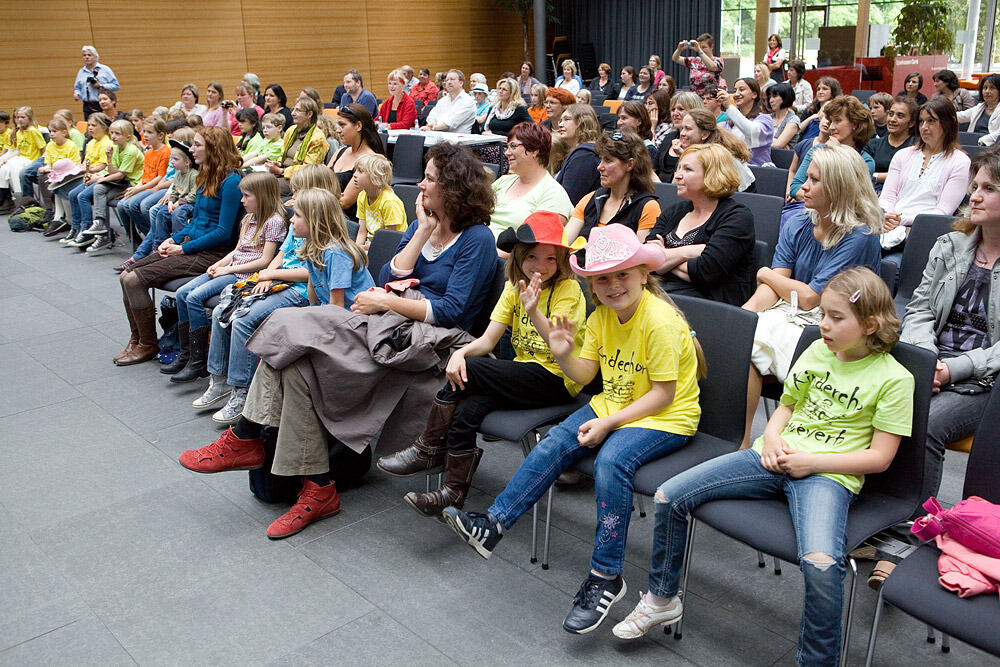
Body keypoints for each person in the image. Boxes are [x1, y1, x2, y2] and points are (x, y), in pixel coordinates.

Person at [177, 143, 497, 539]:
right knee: (294, 364)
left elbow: (452, 311)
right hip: (390, 324)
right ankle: (317, 487)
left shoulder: (477, 239)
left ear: (454, 186)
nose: (421, 184)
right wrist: (424, 233)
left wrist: (385, 299)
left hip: (434, 345)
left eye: (430, 178)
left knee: (288, 323)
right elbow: (389, 273)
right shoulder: (422, 226)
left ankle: (245, 438)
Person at [616, 266, 913, 667]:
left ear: (871, 324)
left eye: (836, 317)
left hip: (828, 475)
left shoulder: (895, 379)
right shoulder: (818, 349)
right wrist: (772, 437)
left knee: (822, 565)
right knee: (671, 495)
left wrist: (811, 462)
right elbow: (786, 406)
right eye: (822, 313)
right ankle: (662, 598)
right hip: (771, 456)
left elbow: (880, 458)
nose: (822, 325)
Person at [443, 223, 705, 634]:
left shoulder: (660, 322)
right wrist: (563, 353)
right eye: (603, 278)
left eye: (622, 274)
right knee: (555, 443)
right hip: (614, 405)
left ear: (643, 274)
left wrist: (607, 423)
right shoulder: (602, 317)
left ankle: (605, 576)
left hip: (666, 418)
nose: (614, 285)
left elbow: (663, 395)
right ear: (593, 286)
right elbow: (583, 376)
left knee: (611, 463)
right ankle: (493, 524)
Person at [378, 211, 587, 515]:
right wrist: (460, 353)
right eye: (532, 257)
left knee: (472, 372)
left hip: (560, 378)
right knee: (468, 405)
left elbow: (558, 348)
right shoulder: (514, 286)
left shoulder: (568, 291)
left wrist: (533, 311)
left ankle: (428, 445)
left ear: (562, 261)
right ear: (518, 257)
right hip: (524, 373)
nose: (540, 267)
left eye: (550, 259)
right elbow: (488, 341)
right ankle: (453, 491)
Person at [869, 149, 1000, 587]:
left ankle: (911, 532)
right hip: (934, 361)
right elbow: (919, 308)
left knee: (924, 423)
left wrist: (951, 371)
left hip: (985, 380)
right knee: (874, 396)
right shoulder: (952, 244)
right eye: (974, 186)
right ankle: (875, 510)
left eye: (988, 189)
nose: (974, 197)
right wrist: (928, 363)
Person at [741, 144, 883, 447]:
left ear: (839, 186)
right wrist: (746, 315)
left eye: (815, 180)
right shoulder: (799, 221)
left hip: (838, 324)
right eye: (807, 177)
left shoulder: (859, 235)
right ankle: (738, 444)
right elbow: (776, 285)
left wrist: (764, 273)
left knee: (751, 347)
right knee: (740, 342)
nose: (803, 186)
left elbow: (810, 298)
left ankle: (764, 446)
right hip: (790, 311)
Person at [196, 166, 342, 421]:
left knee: (242, 320)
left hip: (296, 291)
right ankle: (218, 380)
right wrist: (266, 274)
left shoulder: (321, 231)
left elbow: (310, 275)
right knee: (222, 310)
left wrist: (272, 276)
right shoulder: (299, 224)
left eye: (297, 192)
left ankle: (242, 390)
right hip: (276, 280)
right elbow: (280, 256)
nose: (292, 200)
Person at [115, 127, 243, 366]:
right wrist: (173, 239)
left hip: (213, 254)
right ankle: (137, 339)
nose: (191, 150)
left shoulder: (232, 181)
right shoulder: (206, 173)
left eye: (197, 145)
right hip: (193, 245)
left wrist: (182, 248)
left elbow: (223, 232)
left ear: (213, 148)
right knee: (125, 275)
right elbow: (197, 222)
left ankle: (147, 343)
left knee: (133, 280)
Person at [164, 172, 288, 384]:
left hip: (244, 274)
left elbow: (265, 260)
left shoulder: (274, 221)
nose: (242, 201)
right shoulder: (248, 217)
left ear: (262, 195)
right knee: (182, 292)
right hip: (232, 267)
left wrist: (228, 270)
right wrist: (220, 263)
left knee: (194, 298)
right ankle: (186, 352)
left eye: (246, 196)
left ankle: (197, 359)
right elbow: (238, 250)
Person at [646, 143, 755, 305]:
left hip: (708, 305)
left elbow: (707, 272)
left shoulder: (737, 217)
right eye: (679, 168)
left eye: (687, 170)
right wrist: (689, 252)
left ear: (713, 175)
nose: (677, 176)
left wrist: (664, 256)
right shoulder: (675, 211)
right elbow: (647, 259)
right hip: (661, 294)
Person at [879, 97, 971, 252]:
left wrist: (902, 219)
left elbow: (942, 212)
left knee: (892, 264)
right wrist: (886, 215)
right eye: (921, 122)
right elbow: (887, 197)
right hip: (888, 224)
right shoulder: (903, 155)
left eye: (931, 121)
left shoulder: (960, 161)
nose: (924, 127)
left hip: (923, 233)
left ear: (949, 123)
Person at [783, 95, 876, 223]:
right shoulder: (817, 150)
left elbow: (845, 197)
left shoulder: (865, 161)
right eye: (831, 121)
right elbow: (795, 188)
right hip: (805, 211)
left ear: (855, 123)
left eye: (837, 121)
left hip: (843, 219)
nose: (831, 127)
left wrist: (835, 155)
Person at [117, 137, 199, 271]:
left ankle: (180, 244)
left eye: (175, 160)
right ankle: (157, 247)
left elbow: (193, 195)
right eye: (172, 159)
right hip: (179, 202)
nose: (171, 162)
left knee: (178, 213)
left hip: (189, 203)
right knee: (160, 212)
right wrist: (172, 201)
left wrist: (177, 203)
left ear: (187, 162)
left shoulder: (194, 175)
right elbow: (174, 190)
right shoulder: (178, 175)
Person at [565, 130, 661, 242]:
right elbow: (563, 244)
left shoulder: (647, 208)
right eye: (601, 159)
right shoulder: (590, 199)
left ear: (629, 164)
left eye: (608, 160)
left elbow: (642, 257)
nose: (599, 167)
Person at [489, 122, 572, 239]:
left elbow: (535, 246)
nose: (506, 153)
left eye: (513, 146)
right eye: (506, 147)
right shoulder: (504, 181)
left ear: (534, 150)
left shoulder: (553, 194)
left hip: (502, 256)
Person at [73, 119, 143, 252]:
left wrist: (99, 178)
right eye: (112, 133)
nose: (113, 136)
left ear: (127, 137)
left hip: (131, 184)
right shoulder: (115, 148)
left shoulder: (131, 150)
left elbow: (121, 175)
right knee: (99, 189)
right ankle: (99, 223)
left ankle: (102, 229)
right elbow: (113, 172)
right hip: (121, 182)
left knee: (98, 188)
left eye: (117, 133)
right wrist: (109, 158)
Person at [657, 108, 754, 190]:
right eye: (682, 128)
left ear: (705, 134)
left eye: (688, 129)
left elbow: (711, 192)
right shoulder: (690, 153)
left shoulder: (721, 157)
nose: (682, 133)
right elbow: (675, 188)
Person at [114, 118, 172, 243]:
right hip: (145, 186)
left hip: (156, 186)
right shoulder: (149, 152)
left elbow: (160, 177)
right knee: (121, 205)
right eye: (144, 131)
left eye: (150, 132)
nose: (145, 135)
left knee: (137, 205)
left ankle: (153, 236)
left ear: (161, 135)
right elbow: (145, 175)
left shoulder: (165, 151)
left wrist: (139, 189)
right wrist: (136, 187)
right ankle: (135, 239)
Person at [60, 113, 111, 244]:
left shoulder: (107, 142)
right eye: (89, 125)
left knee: (82, 196)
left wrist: (89, 172)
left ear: (104, 127)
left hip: (101, 177)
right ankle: (75, 228)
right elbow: (86, 161)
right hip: (90, 176)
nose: (90, 128)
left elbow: (102, 166)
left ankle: (86, 229)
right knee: (72, 194)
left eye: (94, 125)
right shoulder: (91, 142)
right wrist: (81, 169)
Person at [328, 103, 385, 219]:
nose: (337, 130)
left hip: (347, 221)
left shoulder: (369, 160)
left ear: (358, 126)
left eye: (342, 125)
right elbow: (318, 181)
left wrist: (314, 197)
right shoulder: (341, 151)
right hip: (329, 212)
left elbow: (344, 202)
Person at [266, 96, 327, 197]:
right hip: (284, 174)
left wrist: (281, 171)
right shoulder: (291, 130)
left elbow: (308, 169)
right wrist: (278, 163)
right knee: (254, 181)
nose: (292, 113)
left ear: (309, 114)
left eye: (298, 110)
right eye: (293, 109)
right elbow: (283, 154)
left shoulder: (318, 138)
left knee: (265, 188)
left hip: (301, 181)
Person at [864, 96, 918, 192]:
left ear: (911, 123)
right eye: (891, 114)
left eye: (900, 116)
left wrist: (875, 176)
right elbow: (861, 173)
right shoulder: (873, 144)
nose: (893, 119)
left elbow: (910, 176)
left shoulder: (917, 146)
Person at [353, 153, 407, 249]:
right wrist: (357, 249)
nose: (354, 175)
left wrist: (363, 248)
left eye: (360, 171)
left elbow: (389, 241)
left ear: (376, 177)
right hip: (370, 245)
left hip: (392, 247)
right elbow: (362, 232)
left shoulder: (389, 203)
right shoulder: (362, 196)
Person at [553, 104, 602, 205]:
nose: (561, 124)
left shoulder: (584, 155)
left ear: (582, 122)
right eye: (560, 120)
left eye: (566, 119)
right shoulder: (580, 152)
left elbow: (568, 200)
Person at [718, 77, 774, 165]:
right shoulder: (730, 121)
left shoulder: (765, 119)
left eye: (741, 90)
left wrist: (729, 106)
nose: (736, 94)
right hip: (731, 170)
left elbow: (751, 132)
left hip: (757, 171)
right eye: (735, 90)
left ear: (754, 94)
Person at [0, 107, 46, 212]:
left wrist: (38, 163)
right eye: (17, 117)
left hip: (31, 160)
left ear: (29, 118)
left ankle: (23, 198)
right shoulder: (19, 132)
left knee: (15, 167)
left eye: (23, 117)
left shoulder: (33, 131)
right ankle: (9, 199)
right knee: (4, 168)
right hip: (21, 158)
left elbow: (43, 150)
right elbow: (18, 150)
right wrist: (6, 159)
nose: (19, 120)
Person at [73, 45, 119, 119]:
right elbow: (77, 88)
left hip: (102, 105)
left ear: (95, 56)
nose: (86, 57)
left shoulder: (105, 69)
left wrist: (100, 85)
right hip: (87, 106)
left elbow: (116, 86)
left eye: (89, 55)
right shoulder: (81, 72)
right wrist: (77, 94)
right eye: (84, 55)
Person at [423, 69, 476, 133]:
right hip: (438, 137)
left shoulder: (467, 101)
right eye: (447, 80)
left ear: (461, 83)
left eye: (452, 79)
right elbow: (432, 115)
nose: (448, 82)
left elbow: (450, 123)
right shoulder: (443, 100)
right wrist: (431, 123)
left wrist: (432, 128)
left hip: (459, 141)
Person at [956, 73, 1000, 146]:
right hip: (974, 144)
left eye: (992, 88)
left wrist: (982, 141)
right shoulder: (979, 108)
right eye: (985, 88)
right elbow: (959, 116)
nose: (987, 91)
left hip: (993, 149)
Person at [798, 76, 842, 143]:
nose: (820, 92)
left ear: (833, 91)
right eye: (818, 89)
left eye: (825, 89)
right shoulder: (811, 108)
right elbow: (798, 129)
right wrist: (812, 118)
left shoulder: (838, 110)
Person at [768, 83, 801, 150]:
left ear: (785, 97)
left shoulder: (793, 120)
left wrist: (762, 139)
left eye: (774, 96)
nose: (771, 100)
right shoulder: (768, 117)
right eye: (770, 97)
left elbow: (778, 145)